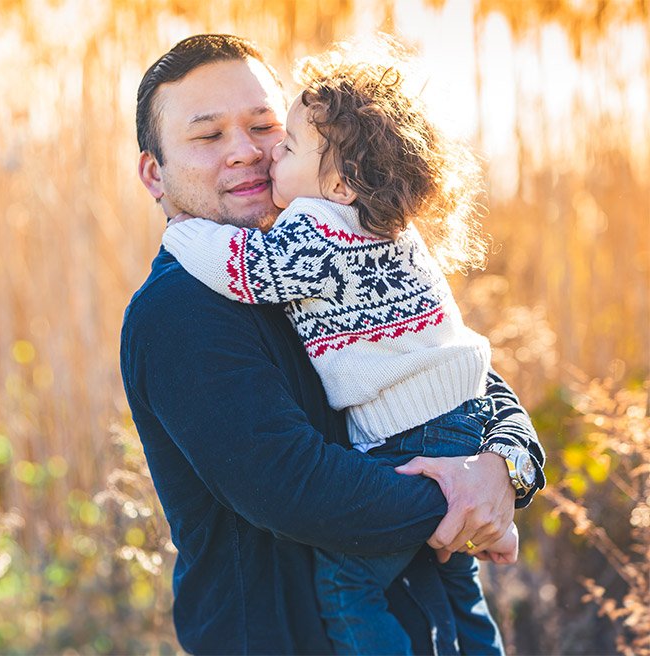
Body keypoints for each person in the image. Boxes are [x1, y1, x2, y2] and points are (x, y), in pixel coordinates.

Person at [118, 34, 546, 654]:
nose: (247, 152)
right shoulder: (179, 314)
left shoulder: (334, 244)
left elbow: (456, 377)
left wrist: (506, 467)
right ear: (154, 174)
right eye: (209, 136)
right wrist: (462, 495)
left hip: (428, 629)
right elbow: (299, 489)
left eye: (265, 126)